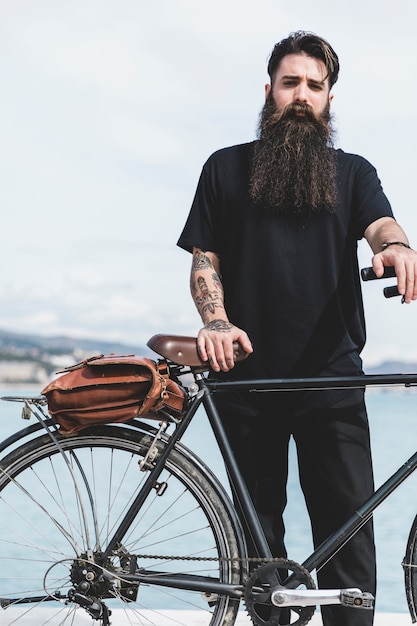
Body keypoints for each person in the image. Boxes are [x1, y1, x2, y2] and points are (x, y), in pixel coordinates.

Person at [177, 31, 417, 626]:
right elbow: (204, 262)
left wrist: (400, 247)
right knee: (259, 556)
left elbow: (382, 224)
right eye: (291, 83)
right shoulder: (225, 168)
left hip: (331, 383)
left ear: (329, 98)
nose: (302, 95)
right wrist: (216, 321)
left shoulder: (352, 172)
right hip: (244, 379)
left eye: (315, 85)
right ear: (269, 92)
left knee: (349, 549)